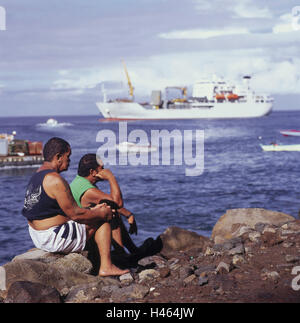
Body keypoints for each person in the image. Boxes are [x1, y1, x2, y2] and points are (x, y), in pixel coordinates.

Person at [22, 137, 129, 277]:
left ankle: (107, 259)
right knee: (102, 219)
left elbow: (56, 213)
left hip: (37, 234)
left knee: (95, 213)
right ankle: (106, 266)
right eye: (68, 156)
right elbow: (76, 215)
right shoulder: (55, 180)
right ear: (58, 157)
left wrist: (93, 210)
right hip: (51, 237)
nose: (70, 160)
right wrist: (100, 213)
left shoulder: (38, 175)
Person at [69, 153, 139, 255]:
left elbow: (109, 202)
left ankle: (132, 251)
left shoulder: (79, 182)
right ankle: (122, 255)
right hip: (82, 236)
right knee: (111, 213)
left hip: (80, 229)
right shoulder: (88, 191)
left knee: (110, 209)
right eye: (102, 168)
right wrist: (111, 177)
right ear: (93, 172)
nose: (105, 171)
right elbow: (118, 203)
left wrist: (128, 214)